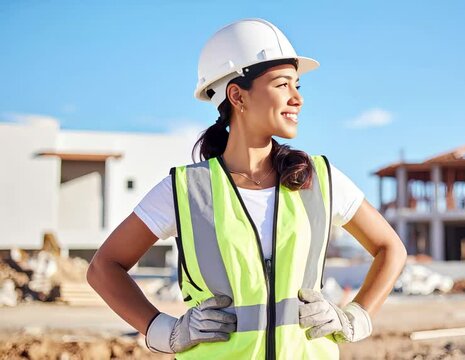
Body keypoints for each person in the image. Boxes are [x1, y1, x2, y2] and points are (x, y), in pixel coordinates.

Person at [87, 18, 407, 359]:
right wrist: (164, 330)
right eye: (283, 85)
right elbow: (103, 268)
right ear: (237, 95)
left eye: (298, 86)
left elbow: (391, 249)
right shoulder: (186, 190)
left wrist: (355, 317)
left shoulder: (319, 180)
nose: (297, 98)